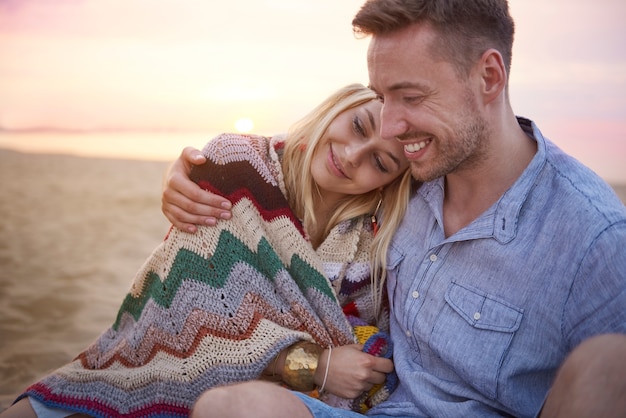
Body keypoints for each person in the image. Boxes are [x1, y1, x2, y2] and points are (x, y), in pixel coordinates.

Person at [163, 1, 626, 417]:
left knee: (610, 364)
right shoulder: (406, 179)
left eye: (411, 97)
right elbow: (289, 166)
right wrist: (204, 168)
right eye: (381, 97)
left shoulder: (591, 236)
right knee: (233, 407)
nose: (391, 125)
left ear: (489, 77)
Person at [0, 83, 414, 418]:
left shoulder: (373, 241)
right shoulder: (238, 165)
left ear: (390, 182)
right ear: (340, 104)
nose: (352, 155)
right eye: (358, 126)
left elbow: (360, 341)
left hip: (260, 401)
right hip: (153, 361)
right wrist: (312, 364)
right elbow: (197, 307)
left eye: (380, 162)